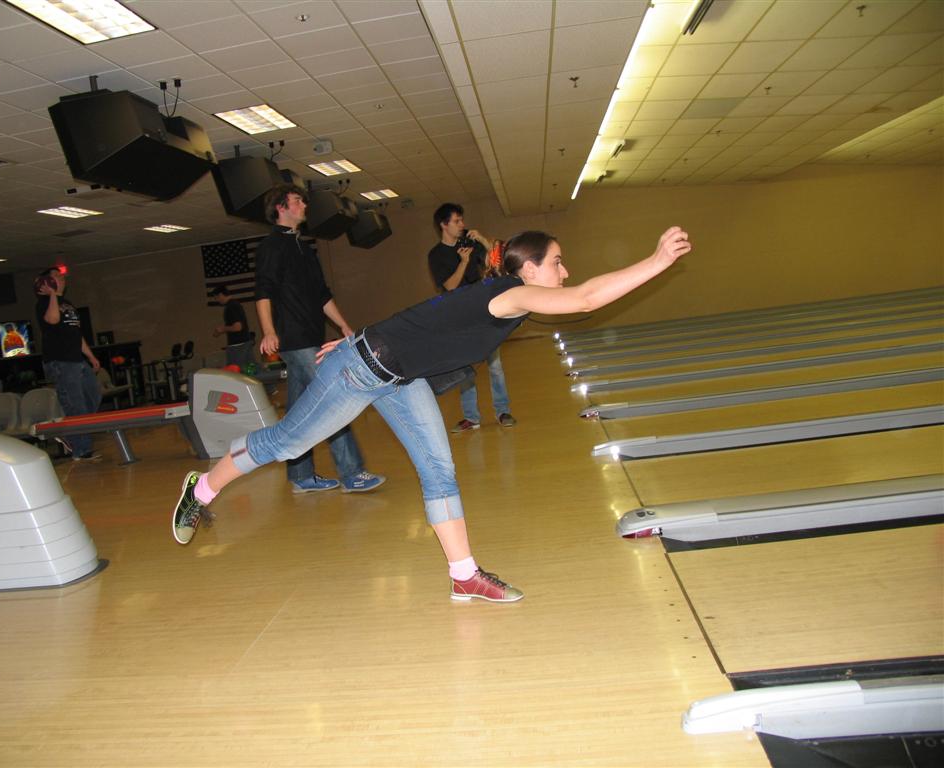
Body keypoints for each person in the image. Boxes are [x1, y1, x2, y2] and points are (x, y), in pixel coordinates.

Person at [172, 226, 693, 603]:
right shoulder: (508, 295)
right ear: (529, 269)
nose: (566, 270)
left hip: (397, 374)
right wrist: (656, 261)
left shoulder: (499, 296)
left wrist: (353, 337)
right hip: (361, 371)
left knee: (439, 469)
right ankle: (199, 491)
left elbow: (424, 317)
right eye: (557, 260)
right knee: (285, 444)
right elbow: (584, 300)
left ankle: (463, 574)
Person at [254, 184, 385, 494]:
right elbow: (263, 292)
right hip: (295, 340)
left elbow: (322, 296)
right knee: (334, 400)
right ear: (282, 207)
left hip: (311, 337)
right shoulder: (271, 246)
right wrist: (269, 331)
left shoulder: (303, 247)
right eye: (299, 200)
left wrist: (344, 327)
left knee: (301, 410)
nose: (305, 205)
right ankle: (353, 472)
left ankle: (300, 475)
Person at [428, 202, 516, 433]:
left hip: (485, 312)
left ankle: (503, 411)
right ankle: (471, 418)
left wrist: (484, 241)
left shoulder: (472, 244)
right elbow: (449, 286)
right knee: (466, 371)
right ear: (444, 225)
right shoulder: (436, 255)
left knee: (495, 366)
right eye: (457, 221)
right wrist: (464, 262)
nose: (462, 225)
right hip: (460, 318)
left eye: (462, 220)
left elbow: (498, 264)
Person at [35, 267, 102, 461]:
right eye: (56, 276)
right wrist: (53, 295)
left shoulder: (69, 305)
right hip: (61, 362)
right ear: (48, 282)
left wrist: (90, 356)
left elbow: (76, 334)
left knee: (94, 396)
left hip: (77, 360)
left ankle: (68, 430)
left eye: (61, 275)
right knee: (76, 405)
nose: (61, 278)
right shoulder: (43, 303)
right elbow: (53, 319)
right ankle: (81, 450)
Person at [210, 285, 255, 371]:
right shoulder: (235, 304)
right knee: (250, 371)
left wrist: (223, 329)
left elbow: (238, 327)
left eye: (216, 298)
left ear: (221, 295)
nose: (217, 300)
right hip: (244, 343)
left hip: (238, 347)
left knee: (236, 373)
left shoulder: (231, 306)